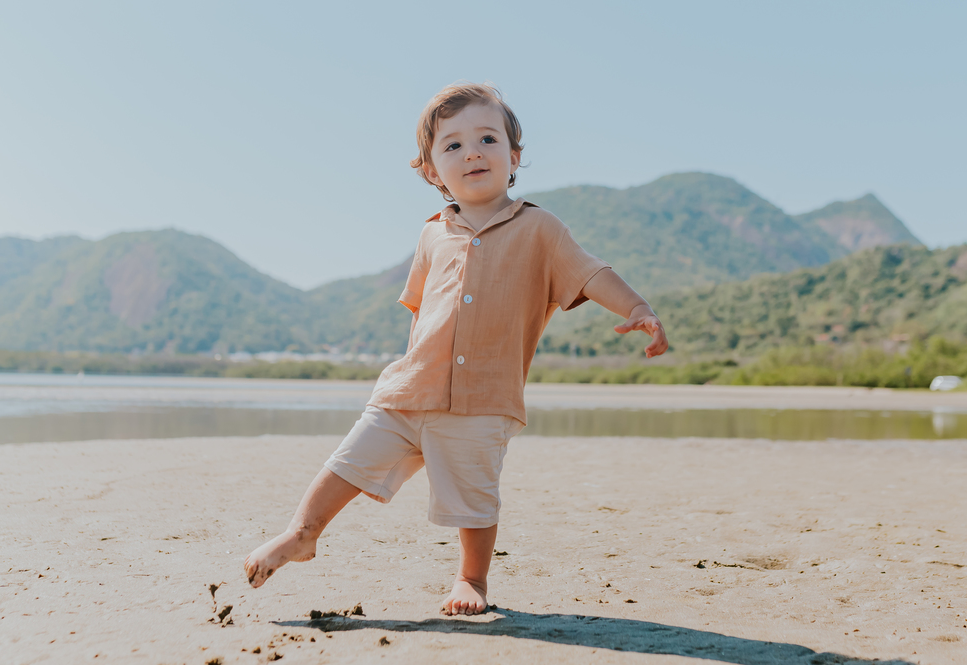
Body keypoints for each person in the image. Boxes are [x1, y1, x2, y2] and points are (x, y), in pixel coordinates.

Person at [243, 83, 669, 616]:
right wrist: (411, 372)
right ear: (430, 170)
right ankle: (301, 534)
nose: (472, 152)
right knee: (347, 463)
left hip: (484, 396)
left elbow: (590, 271)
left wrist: (636, 308)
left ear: (513, 158)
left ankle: (472, 578)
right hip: (411, 387)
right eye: (452, 145)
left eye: (487, 139)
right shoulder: (431, 235)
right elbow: (422, 312)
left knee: (473, 495)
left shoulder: (540, 228)